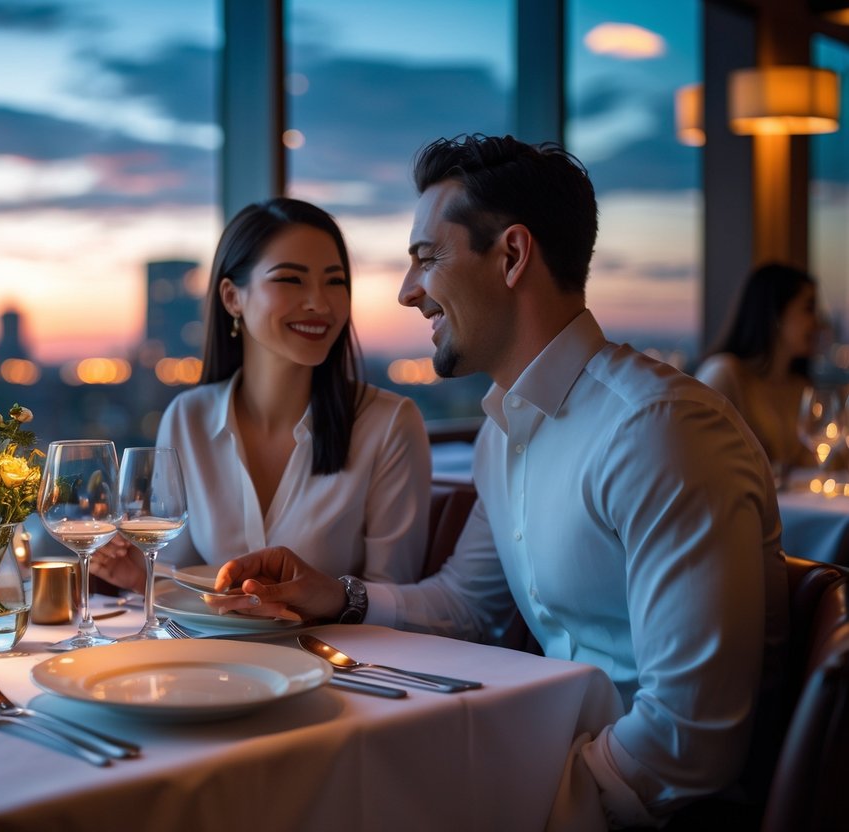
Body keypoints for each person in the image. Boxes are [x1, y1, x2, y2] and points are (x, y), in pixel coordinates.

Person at [208, 136, 787, 829]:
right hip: (568, 759)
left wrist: (526, 792)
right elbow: (468, 606)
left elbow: (688, 745)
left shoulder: (658, 431)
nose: (405, 292)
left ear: (511, 256)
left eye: (425, 258)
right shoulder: (503, 430)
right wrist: (334, 594)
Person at [90, 197, 430, 593]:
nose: (320, 303)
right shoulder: (189, 417)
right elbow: (178, 575)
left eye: (335, 281)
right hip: (219, 654)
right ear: (233, 297)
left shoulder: (389, 424)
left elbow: (393, 602)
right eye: (291, 279)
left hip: (335, 655)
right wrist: (141, 578)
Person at [694, 263, 819, 472]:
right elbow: (698, 458)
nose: (816, 322)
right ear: (776, 315)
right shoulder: (726, 374)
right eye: (808, 308)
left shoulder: (801, 388)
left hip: (791, 505)